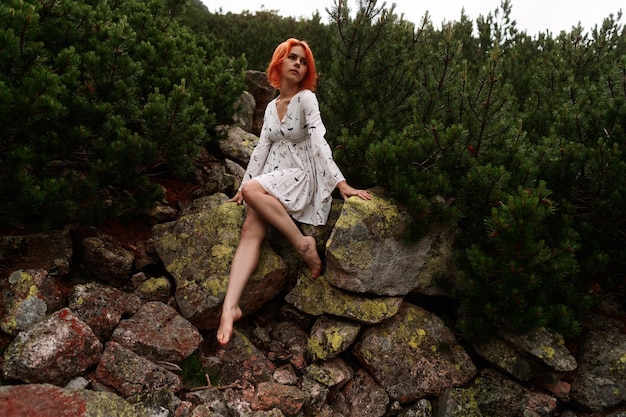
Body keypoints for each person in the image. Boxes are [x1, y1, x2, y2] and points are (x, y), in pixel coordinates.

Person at [216, 38, 371, 346]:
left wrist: (341, 184)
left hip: (301, 175)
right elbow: (261, 149)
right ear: (280, 63)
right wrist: (243, 188)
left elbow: (318, 141)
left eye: (303, 61)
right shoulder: (272, 108)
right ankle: (228, 308)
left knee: (252, 191)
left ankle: (302, 244)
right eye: (293, 58)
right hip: (274, 175)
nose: (298, 64)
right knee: (250, 229)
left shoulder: (306, 99)